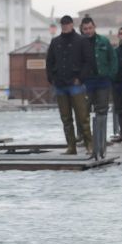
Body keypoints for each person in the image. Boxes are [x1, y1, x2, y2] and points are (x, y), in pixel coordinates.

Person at [45, 15, 92, 154]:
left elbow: (88, 61)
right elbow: (49, 62)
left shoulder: (81, 41)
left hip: (75, 84)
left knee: (83, 117)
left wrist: (81, 78)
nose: (65, 26)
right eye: (63, 24)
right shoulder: (55, 42)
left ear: (72, 24)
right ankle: (71, 146)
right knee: (65, 118)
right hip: (60, 84)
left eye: (67, 24)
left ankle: (89, 144)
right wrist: (51, 79)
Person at [80, 16, 116, 139]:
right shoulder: (79, 43)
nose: (88, 31)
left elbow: (113, 58)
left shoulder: (104, 41)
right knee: (83, 111)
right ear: (82, 29)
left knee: (102, 111)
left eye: (90, 28)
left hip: (102, 81)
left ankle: (100, 137)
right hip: (86, 82)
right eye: (85, 29)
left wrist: (111, 75)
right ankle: (85, 138)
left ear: (94, 27)